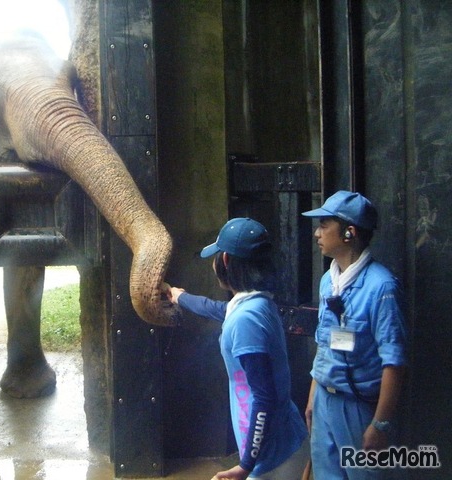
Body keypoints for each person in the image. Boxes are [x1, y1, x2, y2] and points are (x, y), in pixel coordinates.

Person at [167, 218, 309, 480]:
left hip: (272, 459)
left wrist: (245, 465)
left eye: (217, 255)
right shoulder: (256, 303)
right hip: (282, 441)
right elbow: (219, 309)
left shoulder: (247, 321)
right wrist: (179, 296)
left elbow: (263, 397)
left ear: (226, 262)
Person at [302, 191, 408, 479]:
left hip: (360, 407)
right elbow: (325, 343)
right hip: (325, 399)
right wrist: (313, 397)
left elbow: (394, 362)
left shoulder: (381, 287)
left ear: (349, 232)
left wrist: (380, 424)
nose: (317, 233)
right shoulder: (328, 281)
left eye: (324, 225)